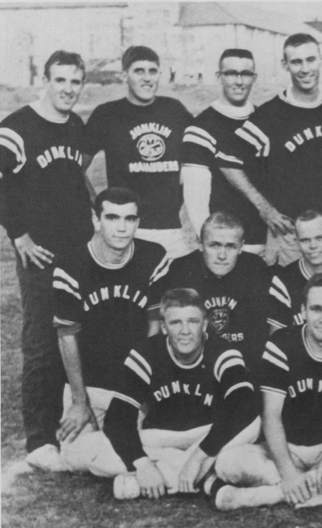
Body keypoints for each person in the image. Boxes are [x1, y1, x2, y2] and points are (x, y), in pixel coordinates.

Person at [206, 273, 322, 511]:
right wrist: (288, 472)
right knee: (228, 462)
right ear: (303, 311)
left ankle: (265, 496)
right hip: (286, 448)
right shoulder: (282, 343)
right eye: (316, 309)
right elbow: (271, 415)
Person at [67, 288, 260, 500]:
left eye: (193, 321)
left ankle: (163, 475)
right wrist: (143, 463)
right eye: (176, 322)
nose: (185, 331)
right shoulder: (147, 352)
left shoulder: (223, 352)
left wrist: (197, 458)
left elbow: (244, 404)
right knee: (93, 453)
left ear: (205, 324)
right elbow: (118, 417)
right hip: (161, 437)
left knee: (252, 423)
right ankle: (202, 476)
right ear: (164, 327)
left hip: (206, 433)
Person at [0, 50, 94, 470]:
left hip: (78, 248)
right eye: (61, 80)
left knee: (75, 333)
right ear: (45, 79)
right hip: (40, 252)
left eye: (75, 81)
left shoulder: (75, 125)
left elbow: (75, 178)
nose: (68, 89)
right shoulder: (17, 127)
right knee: (41, 340)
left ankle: (71, 423)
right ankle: (39, 440)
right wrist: (18, 234)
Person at [52, 187, 171, 471]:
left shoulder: (154, 257)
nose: (122, 227)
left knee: (122, 451)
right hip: (89, 385)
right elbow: (67, 337)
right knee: (74, 458)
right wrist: (79, 401)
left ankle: (130, 456)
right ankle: (137, 456)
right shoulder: (70, 266)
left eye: (130, 219)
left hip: (131, 385)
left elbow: (155, 328)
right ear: (96, 220)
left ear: (138, 222)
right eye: (112, 217)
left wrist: (146, 390)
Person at [218, 33, 322, 266]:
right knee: (293, 287)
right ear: (285, 64)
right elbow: (227, 161)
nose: (305, 69)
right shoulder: (271, 114)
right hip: (291, 234)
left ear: (321, 59)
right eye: (296, 62)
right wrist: (264, 208)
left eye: (310, 60)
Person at [83, 46, 193, 258]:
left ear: (160, 74)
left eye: (152, 71)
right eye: (139, 71)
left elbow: (200, 157)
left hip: (170, 230)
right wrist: (98, 205)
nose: (147, 78)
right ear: (125, 75)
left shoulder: (175, 110)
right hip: (125, 230)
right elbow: (76, 167)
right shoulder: (107, 114)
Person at [149, 212, 272, 366]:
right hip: (195, 364)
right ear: (200, 244)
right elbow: (157, 325)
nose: (222, 255)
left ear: (241, 247)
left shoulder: (256, 269)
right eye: (214, 245)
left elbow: (266, 331)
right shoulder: (180, 270)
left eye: (231, 246)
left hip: (244, 362)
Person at [182, 48, 268, 254]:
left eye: (245, 74)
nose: (239, 81)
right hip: (223, 248)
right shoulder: (200, 128)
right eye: (231, 73)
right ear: (219, 77)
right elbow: (196, 199)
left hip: (264, 242)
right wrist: (211, 247)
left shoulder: (265, 121)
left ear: (254, 78)